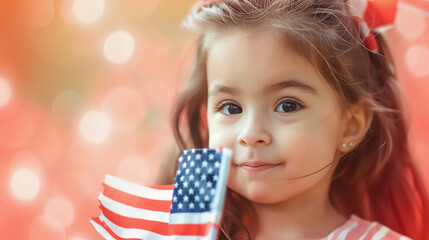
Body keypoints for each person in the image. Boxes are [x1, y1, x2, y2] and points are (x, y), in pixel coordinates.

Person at [164, 0, 429, 239]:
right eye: (231, 108)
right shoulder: (181, 233)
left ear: (351, 125)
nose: (251, 133)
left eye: (287, 105)